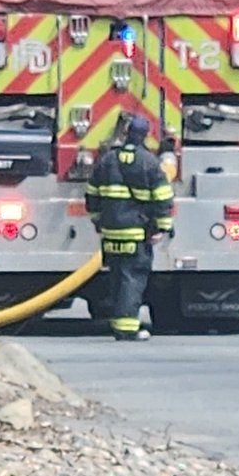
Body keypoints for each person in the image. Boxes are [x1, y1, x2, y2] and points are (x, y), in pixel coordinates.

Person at [85, 114, 174, 341]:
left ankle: (119, 323)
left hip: (110, 233)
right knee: (132, 279)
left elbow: (92, 194)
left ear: (125, 133)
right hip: (136, 234)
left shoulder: (107, 160)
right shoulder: (150, 163)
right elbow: (163, 198)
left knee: (117, 279)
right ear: (146, 135)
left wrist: (97, 221)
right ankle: (127, 329)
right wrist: (161, 228)